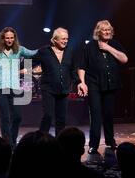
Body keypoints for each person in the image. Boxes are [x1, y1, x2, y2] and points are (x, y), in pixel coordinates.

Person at [77, 20, 128, 154]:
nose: (106, 32)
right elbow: (82, 66)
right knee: (96, 114)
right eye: (104, 30)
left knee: (109, 114)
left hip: (110, 85)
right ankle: (93, 144)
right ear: (98, 32)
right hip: (94, 84)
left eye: (108, 30)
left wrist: (108, 48)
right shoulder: (90, 47)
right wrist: (82, 82)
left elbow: (124, 59)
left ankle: (110, 141)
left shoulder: (115, 44)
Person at [0, 27, 38, 148]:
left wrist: (49, 49)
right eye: (7, 38)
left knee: (17, 116)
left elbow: (33, 53)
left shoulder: (19, 50)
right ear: (3, 38)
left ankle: (12, 140)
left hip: (14, 87)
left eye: (12, 38)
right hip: (0, 88)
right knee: (5, 117)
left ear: (15, 38)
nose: (9, 40)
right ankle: (8, 144)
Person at [33, 27, 77, 136]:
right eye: (62, 39)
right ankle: (41, 140)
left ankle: (59, 143)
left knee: (61, 119)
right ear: (55, 39)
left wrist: (79, 82)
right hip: (48, 89)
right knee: (48, 115)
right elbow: (31, 62)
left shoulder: (69, 52)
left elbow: (73, 69)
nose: (65, 41)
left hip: (64, 90)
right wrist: (17, 68)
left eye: (66, 39)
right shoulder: (44, 51)